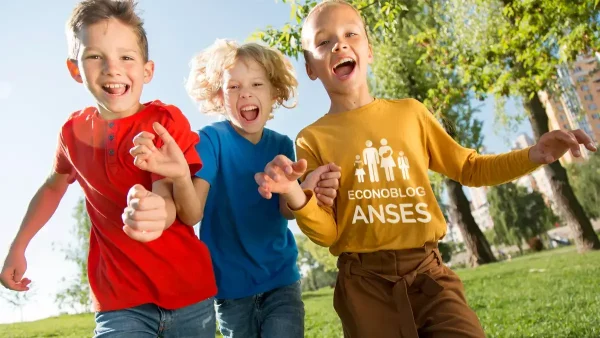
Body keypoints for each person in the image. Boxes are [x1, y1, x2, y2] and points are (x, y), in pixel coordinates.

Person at [254, 1, 598, 337]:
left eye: (350, 34)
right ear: (310, 67)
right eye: (324, 41)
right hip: (363, 286)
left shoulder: (411, 113)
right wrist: (297, 195)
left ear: (369, 50)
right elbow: (328, 233)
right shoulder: (312, 139)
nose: (339, 44)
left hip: (428, 274)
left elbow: (470, 168)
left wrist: (534, 154)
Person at [0, 1, 217, 337]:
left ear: (147, 70)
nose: (112, 69)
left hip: (189, 293)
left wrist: (164, 205)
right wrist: (19, 245)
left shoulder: (165, 122)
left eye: (126, 57)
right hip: (119, 300)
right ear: (75, 70)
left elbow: (189, 213)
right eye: (95, 56)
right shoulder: (72, 133)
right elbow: (53, 187)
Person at [130, 39, 341, 338]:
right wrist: (179, 177)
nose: (246, 93)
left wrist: (301, 186)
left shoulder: (282, 145)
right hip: (231, 291)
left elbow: (286, 211)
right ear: (219, 96)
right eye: (233, 87)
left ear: (274, 93)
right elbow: (191, 215)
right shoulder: (211, 140)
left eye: (257, 84)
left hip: (281, 280)